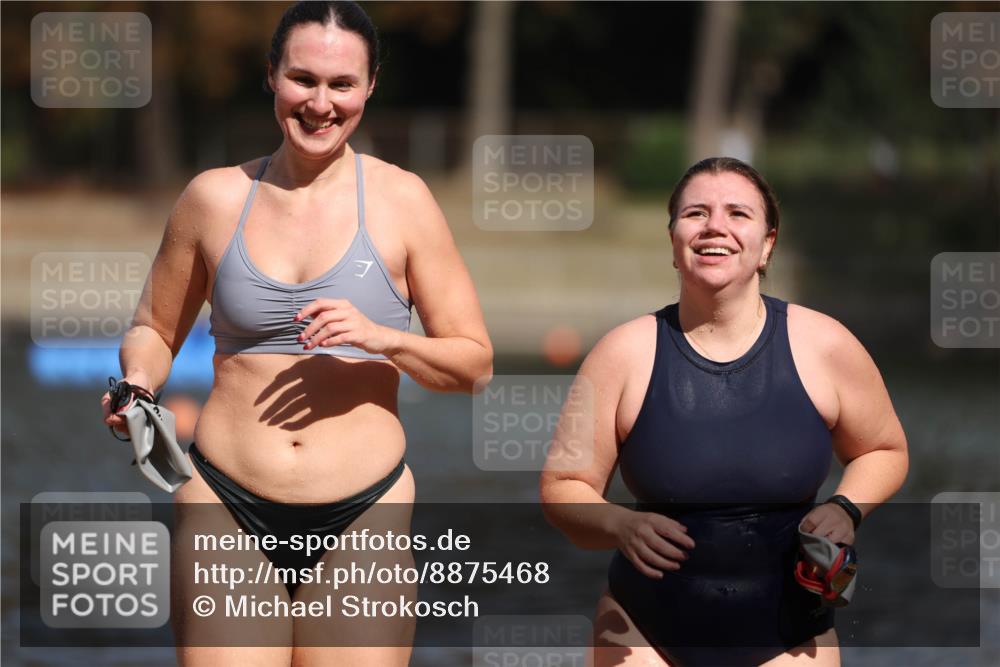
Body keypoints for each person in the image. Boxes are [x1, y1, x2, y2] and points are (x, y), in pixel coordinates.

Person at [100, 2, 492, 665]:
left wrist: (382, 337)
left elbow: (473, 365)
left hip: (363, 509)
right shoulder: (213, 198)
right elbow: (154, 330)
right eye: (302, 79)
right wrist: (137, 383)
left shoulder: (404, 201)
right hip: (224, 498)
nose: (320, 103)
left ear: (370, 87)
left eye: (342, 84)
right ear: (271, 76)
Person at [540, 157, 908, 666]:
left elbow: (885, 450)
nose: (716, 226)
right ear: (673, 241)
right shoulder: (621, 354)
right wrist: (618, 524)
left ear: (768, 244)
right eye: (696, 213)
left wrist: (845, 508)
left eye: (738, 213)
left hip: (790, 638)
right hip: (643, 631)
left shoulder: (826, 345)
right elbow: (563, 488)